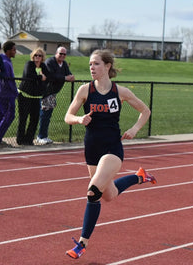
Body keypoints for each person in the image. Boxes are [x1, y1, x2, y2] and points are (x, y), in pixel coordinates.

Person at [64, 49, 156, 259]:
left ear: (107, 66)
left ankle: (81, 244)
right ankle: (139, 176)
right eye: (90, 64)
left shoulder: (120, 91)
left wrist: (134, 130)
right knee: (109, 195)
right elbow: (68, 115)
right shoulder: (84, 90)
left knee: (93, 191)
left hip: (112, 149)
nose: (91, 68)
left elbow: (145, 111)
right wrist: (79, 119)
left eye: (96, 64)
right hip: (92, 149)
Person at [36, 46, 75, 145]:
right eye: (60, 53)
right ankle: (41, 136)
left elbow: (68, 74)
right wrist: (65, 77)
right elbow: (51, 76)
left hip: (53, 93)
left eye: (64, 54)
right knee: (45, 114)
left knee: (48, 115)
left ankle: (44, 135)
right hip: (46, 91)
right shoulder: (50, 62)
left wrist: (70, 77)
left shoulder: (64, 64)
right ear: (56, 53)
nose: (62, 56)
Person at [16, 48, 50, 146]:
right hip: (25, 95)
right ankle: (20, 139)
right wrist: (40, 77)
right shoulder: (29, 64)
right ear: (32, 56)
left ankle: (29, 139)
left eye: (39, 55)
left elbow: (47, 77)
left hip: (36, 96)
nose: (37, 57)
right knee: (23, 118)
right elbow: (28, 75)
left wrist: (42, 78)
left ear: (42, 57)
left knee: (34, 119)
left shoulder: (43, 66)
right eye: (36, 55)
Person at [0, 41, 18, 148]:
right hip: (7, 93)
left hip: (0, 92)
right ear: (8, 51)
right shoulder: (6, 63)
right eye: (14, 50)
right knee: (9, 115)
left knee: (1, 115)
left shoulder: (2, 60)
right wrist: (15, 92)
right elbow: (8, 80)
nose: (15, 52)